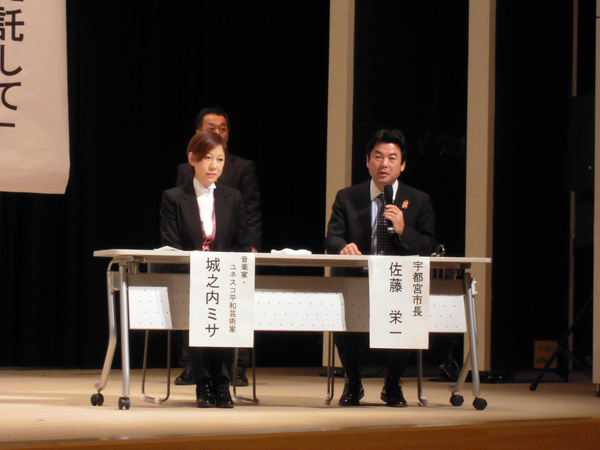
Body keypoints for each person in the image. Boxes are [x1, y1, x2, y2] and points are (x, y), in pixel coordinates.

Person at [324, 129, 437, 407]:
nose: (384, 164)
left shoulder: (418, 200)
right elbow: (332, 237)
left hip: (398, 280)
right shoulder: (347, 197)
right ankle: (352, 380)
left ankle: (393, 382)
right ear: (367, 161)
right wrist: (343, 247)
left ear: (403, 164)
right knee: (343, 311)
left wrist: (404, 230)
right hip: (357, 278)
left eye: (392, 158)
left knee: (405, 314)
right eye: (377, 157)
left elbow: (429, 245)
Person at [160, 130, 251, 408]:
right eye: (207, 158)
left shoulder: (233, 197)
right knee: (198, 316)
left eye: (220, 159)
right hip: (190, 278)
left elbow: (242, 243)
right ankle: (203, 384)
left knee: (226, 316)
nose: (214, 166)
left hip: (224, 277)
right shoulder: (174, 197)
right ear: (192, 159)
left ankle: (222, 383)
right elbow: (170, 245)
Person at [175, 107, 260, 387]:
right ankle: (193, 368)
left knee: (234, 308)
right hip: (195, 259)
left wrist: (250, 247)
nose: (217, 132)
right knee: (194, 309)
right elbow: (182, 212)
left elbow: (250, 211)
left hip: (229, 254)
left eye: (222, 128)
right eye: (211, 127)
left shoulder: (241, 168)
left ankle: (234, 369)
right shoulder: (185, 172)